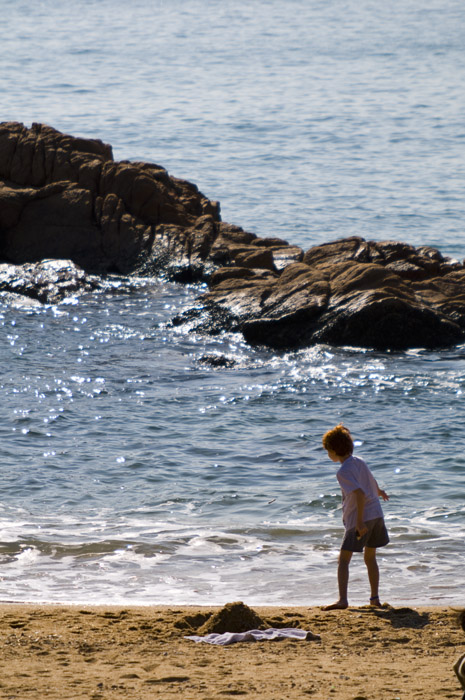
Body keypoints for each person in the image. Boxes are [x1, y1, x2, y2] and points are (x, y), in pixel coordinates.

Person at [321, 424, 389, 610]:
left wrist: (358, 522)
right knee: (370, 557)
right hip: (376, 514)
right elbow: (370, 480)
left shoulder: (343, 472)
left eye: (327, 451)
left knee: (343, 560)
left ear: (333, 451)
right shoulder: (359, 461)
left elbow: (359, 494)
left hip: (362, 518)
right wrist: (379, 491)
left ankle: (343, 600)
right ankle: (374, 598)